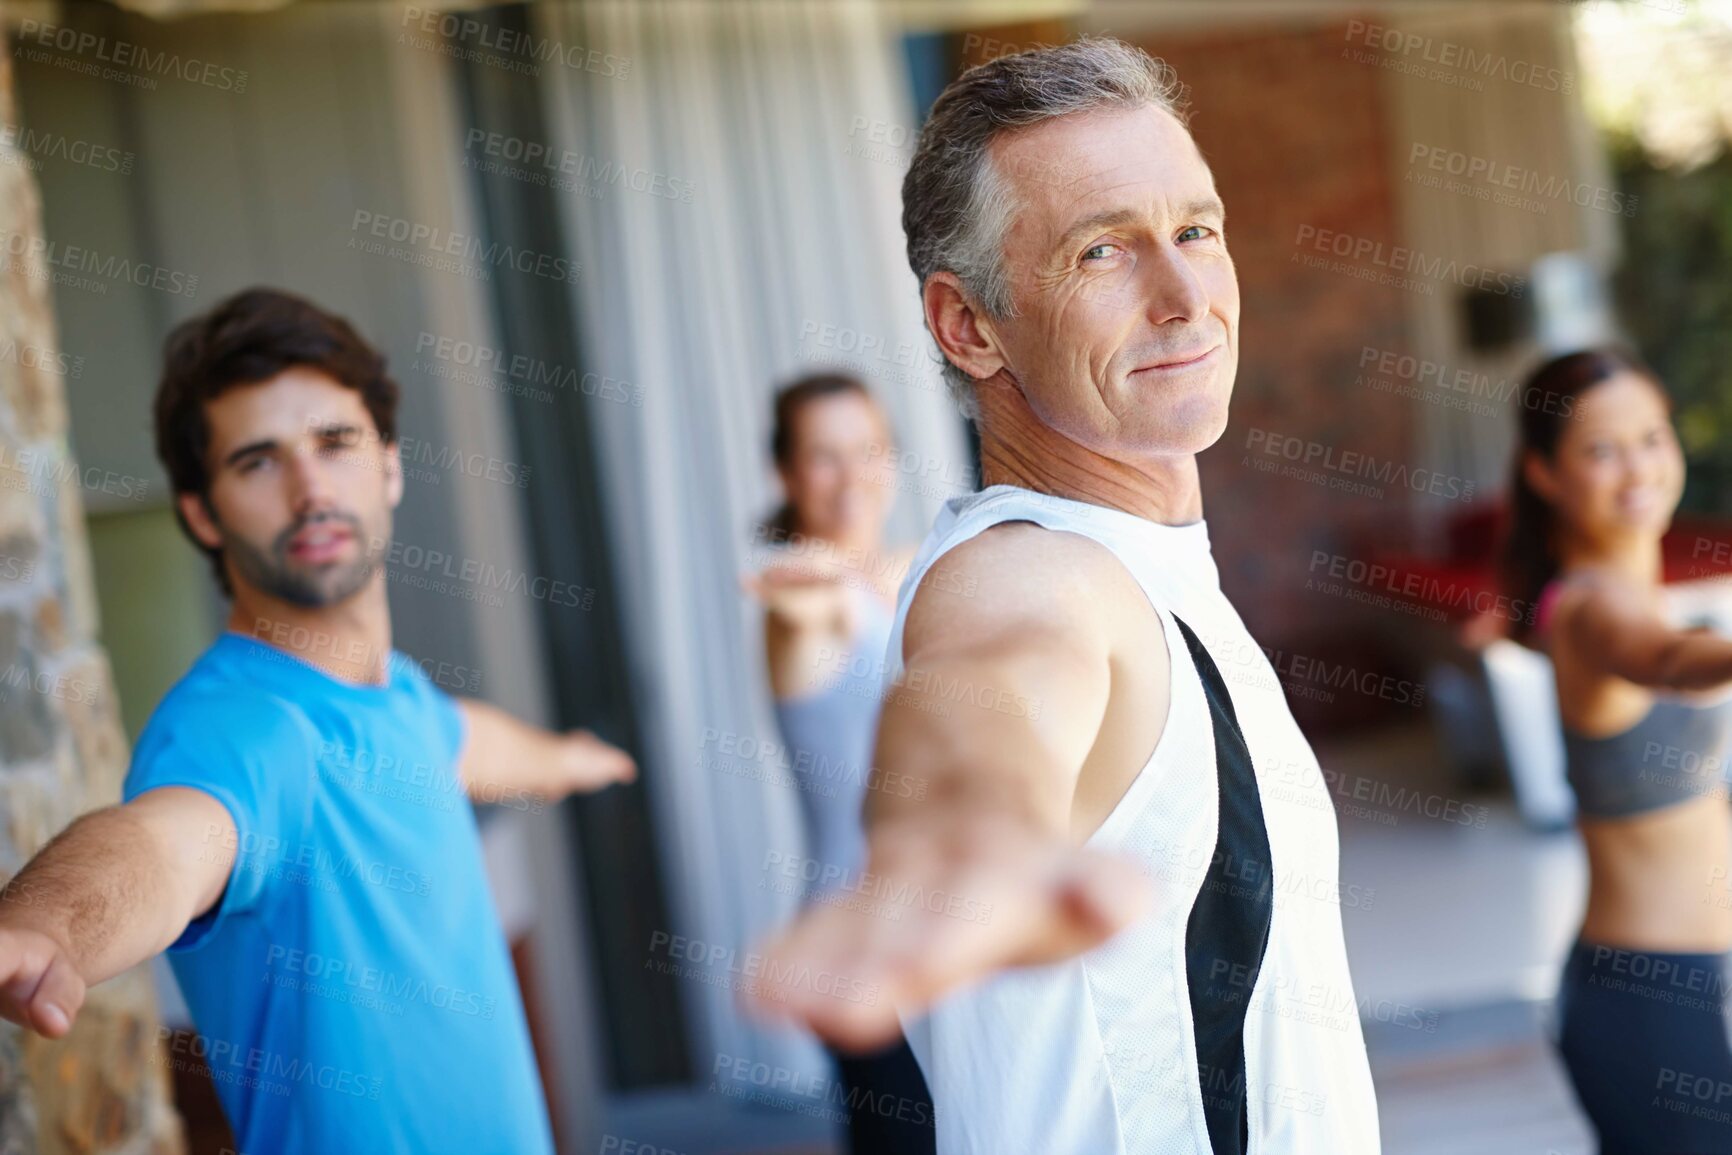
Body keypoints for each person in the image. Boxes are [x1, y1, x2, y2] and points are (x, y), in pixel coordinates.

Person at [747, 38, 1380, 1155]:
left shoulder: (1153, 563)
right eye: (1102, 253)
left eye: (1195, 230)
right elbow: (992, 684)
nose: (1185, 299)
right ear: (968, 327)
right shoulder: (1030, 571)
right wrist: (967, 843)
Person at [0, 288, 635, 1153]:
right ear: (201, 512)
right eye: (257, 461)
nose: (309, 488)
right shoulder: (242, 731)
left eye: (335, 443)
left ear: (391, 465)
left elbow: (470, 743)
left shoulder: (401, 700)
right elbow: (157, 843)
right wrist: (43, 924)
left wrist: (570, 759)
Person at [1502, 348, 1732, 1154]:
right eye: (1602, 449)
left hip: (1699, 983)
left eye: (1652, 437)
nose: (1638, 468)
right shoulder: (1592, 614)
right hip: (1649, 1003)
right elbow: (1666, 662)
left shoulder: (1636, 594)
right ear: (1545, 473)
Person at [743, 373, 933, 1153]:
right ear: (786, 473)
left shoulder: (912, 577)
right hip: (859, 949)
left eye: (867, 450)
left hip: (932, 937)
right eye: (824, 457)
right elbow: (807, 611)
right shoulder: (808, 607)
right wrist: (798, 594)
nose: (851, 476)